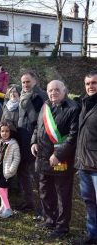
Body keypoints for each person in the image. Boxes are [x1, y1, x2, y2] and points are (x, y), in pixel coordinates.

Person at [31, 80, 79, 238]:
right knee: (45, 191)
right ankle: (49, 219)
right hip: (43, 157)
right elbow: (38, 127)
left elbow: (73, 136)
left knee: (62, 194)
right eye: (50, 90)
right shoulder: (45, 106)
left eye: (57, 90)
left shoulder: (73, 108)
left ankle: (61, 227)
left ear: (64, 90)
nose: (53, 93)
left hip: (61, 160)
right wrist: (34, 142)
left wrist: (59, 155)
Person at [17, 71, 47, 212]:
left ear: (35, 81)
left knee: (38, 175)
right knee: (23, 172)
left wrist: (35, 140)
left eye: (28, 81)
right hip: (23, 139)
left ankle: (43, 207)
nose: (25, 84)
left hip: (35, 141)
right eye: (23, 82)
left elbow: (40, 122)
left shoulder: (39, 97)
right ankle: (29, 202)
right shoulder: (22, 96)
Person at [74, 71, 97, 245]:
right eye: (88, 83)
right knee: (89, 203)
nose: (91, 86)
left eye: (94, 83)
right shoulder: (84, 104)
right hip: (84, 165)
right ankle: (92, 236)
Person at [0, 121, 20, 218]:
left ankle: (8, 209)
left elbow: (16, 158)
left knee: (0, 188)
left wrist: (11, 170)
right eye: (2, 131)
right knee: (4, 190)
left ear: (10, 132)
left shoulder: (13, 144)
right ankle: (2, 206)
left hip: (7, 171)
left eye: (7, 131)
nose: (4, 133)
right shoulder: (0, 143)